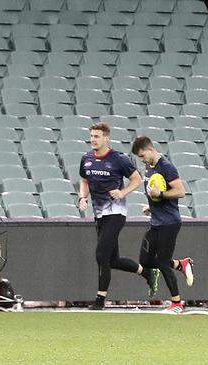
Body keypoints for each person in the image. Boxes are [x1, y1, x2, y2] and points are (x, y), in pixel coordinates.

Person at [78, 122, 159, 310]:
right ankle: (147, 273)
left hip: (116, 213)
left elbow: (137, 179)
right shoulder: (86, 158)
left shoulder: (118, 159)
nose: (93, 140)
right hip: (99, 214)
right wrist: (83, 197)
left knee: (101, 254)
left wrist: (122, 193)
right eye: (91, 136)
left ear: (106, 138)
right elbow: (84, 180)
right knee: (112, 260)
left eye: (97, 136)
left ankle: (100, 300)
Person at [131, 136, 194, 315]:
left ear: (151, 150)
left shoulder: (166, 166)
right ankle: (181, 264)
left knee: (162, 262)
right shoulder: (148, 167)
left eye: (143, 156)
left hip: (170, 223)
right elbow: (155, 195)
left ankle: (177, 303)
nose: (142, 160)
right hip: (157, 221)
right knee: (145, 260)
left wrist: (161, 193)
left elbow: (180, 191)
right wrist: (151, 207)